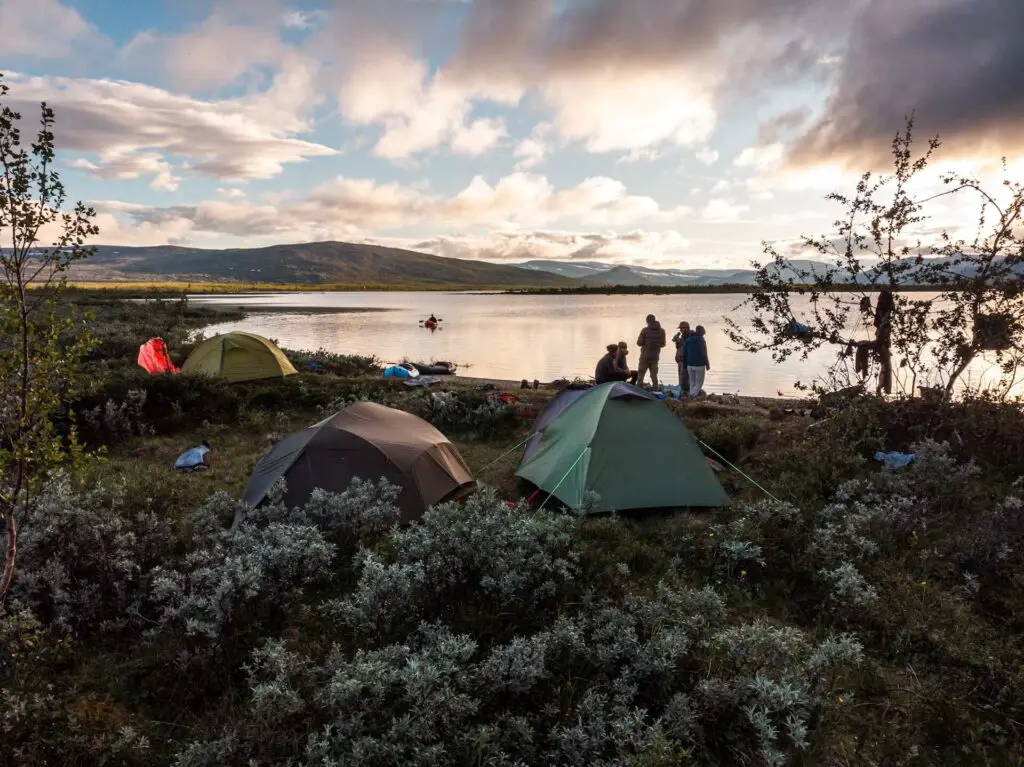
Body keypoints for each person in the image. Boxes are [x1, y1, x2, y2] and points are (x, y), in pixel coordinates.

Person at [635, 313, 666, 387]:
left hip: (644, 357)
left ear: (647, 321)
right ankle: (655, 390)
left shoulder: (645, 330)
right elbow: (663, 344)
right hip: (655, 357)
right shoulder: (662, 331)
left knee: (640, 376)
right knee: (654, 377)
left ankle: (639, 391)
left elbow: (639, 343)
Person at [684, 326, 710, 397]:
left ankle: (691, 396)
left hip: (689, 365)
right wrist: (707, 364)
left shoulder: (688, 340)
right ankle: (692, 396)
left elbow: (685, 353)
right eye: (703, 333)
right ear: (701, 332)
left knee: (692, 382)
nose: (703, 335)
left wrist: (685, 364)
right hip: (699, 365)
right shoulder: (701, 340)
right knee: (699, 383)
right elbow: (704, 353)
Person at [672, 321, 691, 392]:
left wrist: (680, 341)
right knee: (681, 379)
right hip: (680, 361)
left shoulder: (690, 337)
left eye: (681, 328)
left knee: (685, 379)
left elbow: (687, 347)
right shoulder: (682, 337)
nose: (680, 330)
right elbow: (678, 347)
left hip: (685, 361)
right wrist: (677, 341)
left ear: (686, 328)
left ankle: (685, 393)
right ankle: (682, 392)